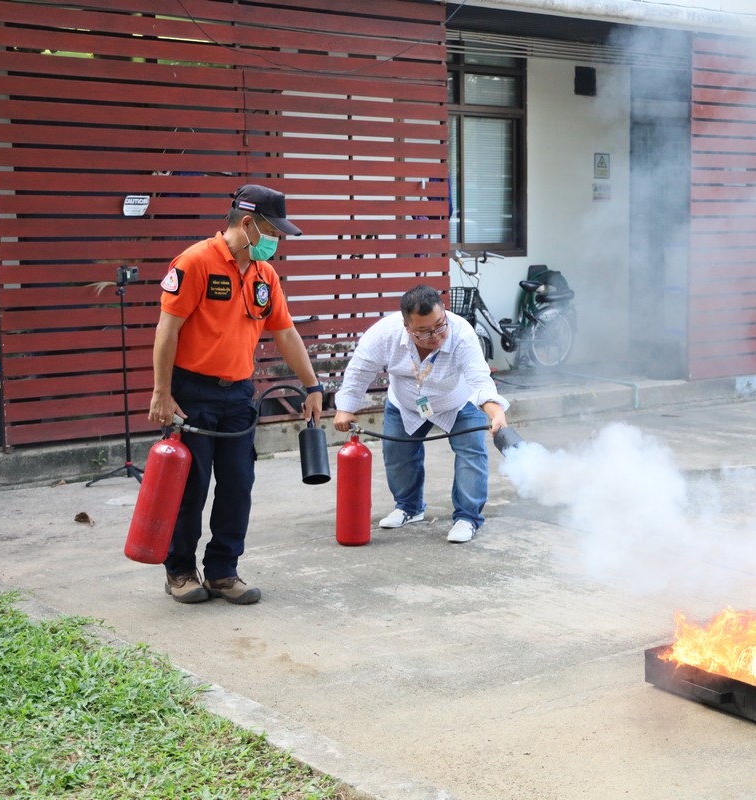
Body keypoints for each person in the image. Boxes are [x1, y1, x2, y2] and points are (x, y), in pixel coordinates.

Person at [148, 185, 323, 605]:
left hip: (239, 395)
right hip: (192, 392)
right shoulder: (195, 262)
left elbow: (285, 332)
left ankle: (223, 571)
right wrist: (161, 392)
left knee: (238, 485)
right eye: (272, 232)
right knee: (190, 487)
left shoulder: (265, 275)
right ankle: (179, 571)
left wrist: (313, 385)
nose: (276, 241)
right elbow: (167, 330)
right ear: (247, 224)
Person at [332, 285, 508, 544]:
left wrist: (496, 412)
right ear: (406, 326)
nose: (435, 336)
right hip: (405, 401)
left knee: (471, 454)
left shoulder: (461, 333)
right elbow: (360, 370)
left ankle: (468, 517)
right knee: (397, 454)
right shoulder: (384, 333)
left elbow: (479, 379)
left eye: (439, 326)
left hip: (456, 400)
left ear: (444, 312)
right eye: (423, 331)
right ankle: (409, 508)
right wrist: (345, 408)